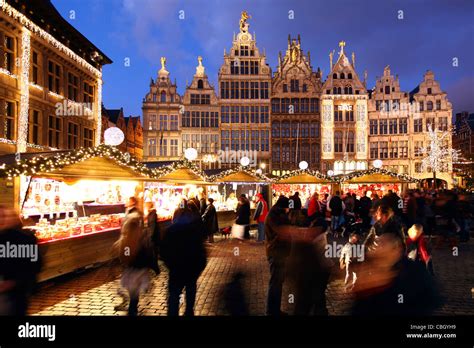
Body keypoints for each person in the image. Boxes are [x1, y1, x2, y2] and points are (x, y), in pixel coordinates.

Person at [352, 233, 439, 316]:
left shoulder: (414, 272)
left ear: (396, 251)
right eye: (375, 245)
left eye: (382, 245)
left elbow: (429, 300)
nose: (376, 248)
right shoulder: (366, 272)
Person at [161, 208, 207, 316]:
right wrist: (198, 268)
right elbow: (201, 251)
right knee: (190, 292)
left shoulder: (170, 231)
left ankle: (173, 313)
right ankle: (189, 312)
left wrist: (170, 264)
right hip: (191, 269)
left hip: (176, 269)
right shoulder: (194, 231)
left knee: (174, 294)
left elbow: (163, 251)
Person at [0, 206, 42, 315]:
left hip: (14, 294)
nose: (1, 220)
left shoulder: (23, 239)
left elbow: (34, 265)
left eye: (3, 216)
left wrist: (12, 282)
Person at [115, 202, 153, 316]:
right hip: (138, 271)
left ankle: (132, 308)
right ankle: (132, 309)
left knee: (133, 293)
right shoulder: (141, 238)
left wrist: (126, 262)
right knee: (134, 294)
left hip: (132, 270)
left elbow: (125, 255)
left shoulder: (128, 240)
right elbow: (147, 253)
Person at [264, 196, 292, 316]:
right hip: (276, 252)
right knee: (275, 283)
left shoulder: (275, 213)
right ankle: (272, 311)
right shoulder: (275, 215)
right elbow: (282, 232)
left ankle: (275, 309)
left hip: (278, 252)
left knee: (277, 282)